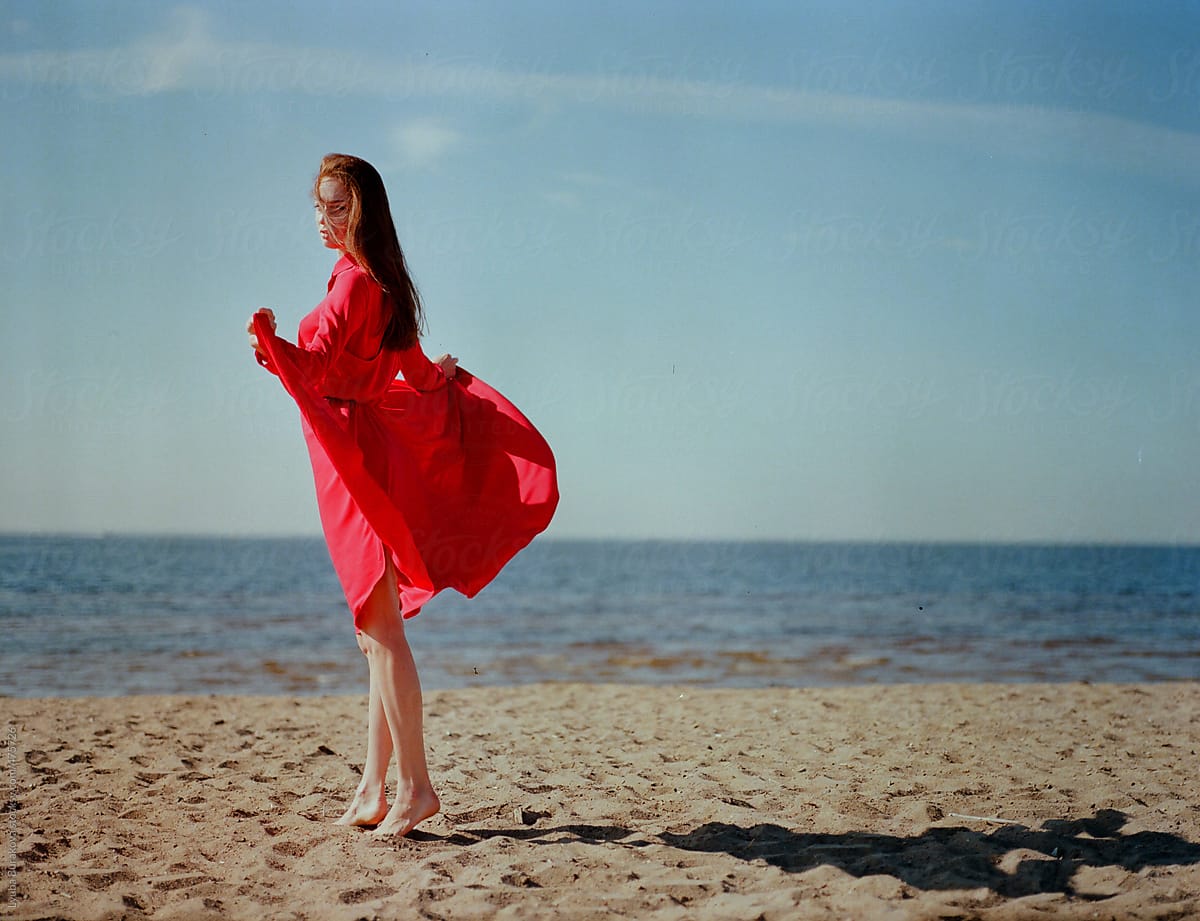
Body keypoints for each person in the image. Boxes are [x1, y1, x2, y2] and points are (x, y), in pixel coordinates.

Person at [246, 154, 558, 837]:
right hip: (364, 449)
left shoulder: (356, 284)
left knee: (380, 631)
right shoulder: (385, 286)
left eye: (336, 207)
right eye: (319, 206)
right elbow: (415, 373)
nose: (323, 219)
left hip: (351, 458)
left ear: (363, 212)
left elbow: (320, 363)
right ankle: (371, 786)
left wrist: (269, 343)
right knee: (375, 633)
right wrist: (439, 374)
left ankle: (416, 787)